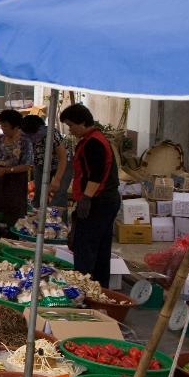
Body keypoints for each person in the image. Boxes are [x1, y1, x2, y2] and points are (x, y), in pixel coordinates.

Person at [60, 103, 121, 288]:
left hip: (98, 200)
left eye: (71, 125)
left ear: (82, 122)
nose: (70, 130)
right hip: (106, 199)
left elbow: (96, 173)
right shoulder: (94, 139)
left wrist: (86, 199)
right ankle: (99, 287)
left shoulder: (94, 142)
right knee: (101, 247)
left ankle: (83, 288)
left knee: (85, 245)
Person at [0, 109, 35, 228]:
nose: (3, 129)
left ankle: (11, 235)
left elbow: (26, 165)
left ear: (15, 126)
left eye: (5, 126)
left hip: (16, 178)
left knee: (13, 209)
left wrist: (7, 170)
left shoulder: (25, 141)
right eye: (2, 126)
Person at [22, 113, 70, 206]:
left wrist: (57, 179)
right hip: (40, 164)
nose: (32, 138)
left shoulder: (52, 134)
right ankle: (38, 217)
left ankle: (57, 217)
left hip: (61, 164)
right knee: (40, 192)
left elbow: (62, 158)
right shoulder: (25, 136)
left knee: (59, 193)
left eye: (33, 134)